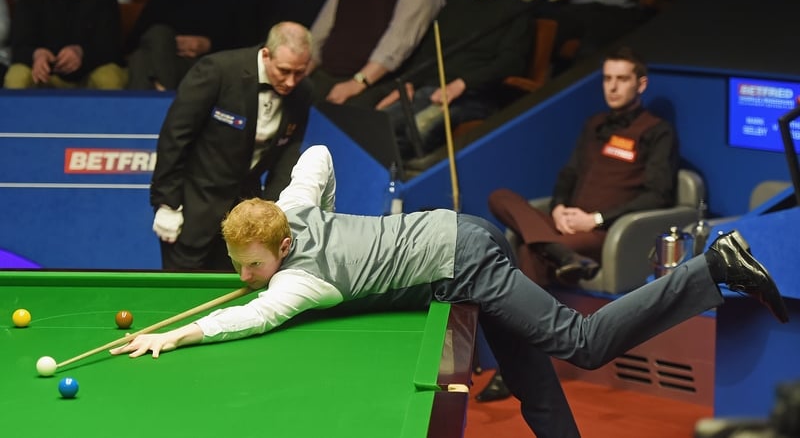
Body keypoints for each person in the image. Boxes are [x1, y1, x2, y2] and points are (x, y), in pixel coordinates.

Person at [112, 144, 789, 438]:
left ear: (281, 247)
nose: (244, 278)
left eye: (251, 266)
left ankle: (713, 267)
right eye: (238, 265)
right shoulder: (293, 205)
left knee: (578, 344)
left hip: (462, 258)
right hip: (451, 237)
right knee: (532, 384)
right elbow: (316, 161)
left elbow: (249, 322)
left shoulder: (301, 282)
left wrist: (171, 334)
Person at [479, 45, 677, 401]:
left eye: (622, 79)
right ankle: (556, 250)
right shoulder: (594, 125)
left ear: (641, 84)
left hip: (605, 233)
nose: (612, 87)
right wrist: (557, 210)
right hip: (564, 226)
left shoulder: (657, 131)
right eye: (607, 79)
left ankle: (515, 370)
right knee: (500, 197)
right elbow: (567, 176)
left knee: (528, 249)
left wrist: (595, 218)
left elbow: (658, 195)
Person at [149, 21, 314, 271]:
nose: (291, 82)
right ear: (266, 55)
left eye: (299, 73)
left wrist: (273, 212)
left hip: (247, 220)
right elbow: (175, 137)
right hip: (193, 210)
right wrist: (167, 203)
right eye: (284, 71)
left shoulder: (303, 92)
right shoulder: (218, 71)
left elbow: (287, 155)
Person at [375, 0, 531, 159]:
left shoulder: (516, 10)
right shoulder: (453, 8)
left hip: (476, 97)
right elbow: (427, 54)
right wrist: (409, 83)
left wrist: (462, 84)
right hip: (432, 91)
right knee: (381, 124)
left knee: (420, 128)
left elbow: (510, 63)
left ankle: (413, 180)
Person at [307, 0, 444, 107]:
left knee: (340, 115)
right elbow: (320, 31)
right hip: (328, 71)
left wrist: (357, 83)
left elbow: (397, 46)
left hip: (375, 82)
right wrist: (303, 68)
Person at [125, 0, 251, 90]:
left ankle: (155, 101)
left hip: (208, 64)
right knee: (152, 42)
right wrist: (165, 45)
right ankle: (165, 96)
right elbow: (135, 40)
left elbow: (246, 46)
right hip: (169, 60)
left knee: (140, 60)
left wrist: (209, 45)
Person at [4, 0, 127, 89]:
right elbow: (18, 46)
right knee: (17, 77)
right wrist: (36, 54)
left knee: (109, 78)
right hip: (44, 74)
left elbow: (112, 48)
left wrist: (81, 52)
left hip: (89, 69)